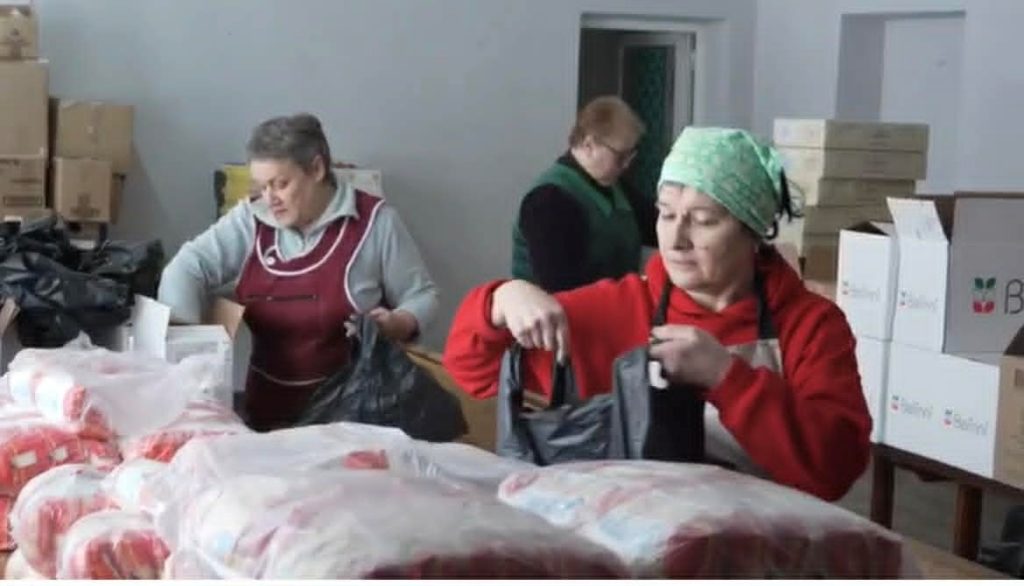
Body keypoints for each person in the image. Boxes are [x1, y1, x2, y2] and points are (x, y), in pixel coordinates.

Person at [445, 127, 871, 501]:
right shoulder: (618, 309)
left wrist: (727, 378)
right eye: (666, 214)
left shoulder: (810, 326)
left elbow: (835, 470)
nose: (676, 239)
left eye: (703, 220)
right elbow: (472, 369)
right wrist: (501, 300)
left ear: (754, 231)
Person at [159, 113, 439, 431]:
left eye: (281, 184)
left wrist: (399, 322)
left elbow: (423, 296)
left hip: (352, 423)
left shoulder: (376, 223)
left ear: (317, 169)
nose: (270, 199)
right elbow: (185, 268)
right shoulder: (251, 221)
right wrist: (187, 362)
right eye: (262, 186)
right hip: (266, 418)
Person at [511, 96, 657, 292]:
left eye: (631, 156)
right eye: (620, 156)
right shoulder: (548, 200)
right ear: (589, 145)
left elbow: (658, 227)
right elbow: (562, 288)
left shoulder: (617, 189)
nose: (626, 165)